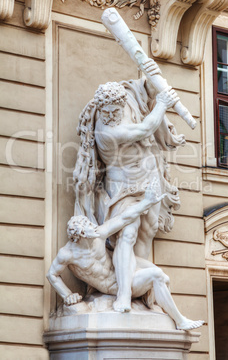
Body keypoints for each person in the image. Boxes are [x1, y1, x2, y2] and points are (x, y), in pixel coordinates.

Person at [73, 59, 185, 312]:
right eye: (107, 113)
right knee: (126, 234)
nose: (112, 116)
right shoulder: (107, 132)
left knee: (147, 230)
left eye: (116, 111)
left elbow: (142, 96)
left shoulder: (125, 103)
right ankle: (123, 294)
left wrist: (152, 80)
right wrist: (164, 105)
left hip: (148, 179)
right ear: (99, 109)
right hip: (122, 184)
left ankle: (139, 292)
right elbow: (145, 128)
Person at [47, 184, 204, 330]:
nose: (95, 231)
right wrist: (67, 295)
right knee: (158, 276)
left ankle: (177, 318)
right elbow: (52, 274)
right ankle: (180, 321)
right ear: (79, 236)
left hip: (125, 276)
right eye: (89, 230)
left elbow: (124, 218)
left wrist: (147, 202)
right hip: (113, 287)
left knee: (162, 276)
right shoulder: (68, 254)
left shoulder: (98, 235)